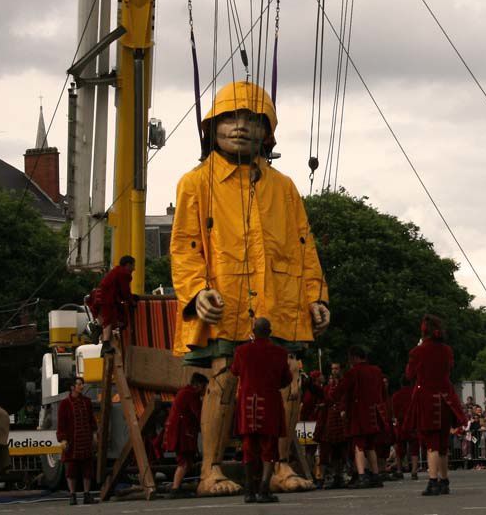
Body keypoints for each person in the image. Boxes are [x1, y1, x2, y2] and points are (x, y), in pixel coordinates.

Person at [170, 81, 330, 496]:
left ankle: (278, 466)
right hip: (225, 302)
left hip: (279, 300)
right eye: (229, 117)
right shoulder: (195, 183)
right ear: (212, 127)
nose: (239, 126)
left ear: (267, 130)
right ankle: (210, 470)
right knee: (223, 379)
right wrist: (195, 290)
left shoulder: (285, 187)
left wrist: (316, 296)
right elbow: (185, 247)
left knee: (290, 379)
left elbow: (303, 246)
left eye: (251, 119)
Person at [230, 318, 293, 504]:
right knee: (269, 448)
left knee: (248, 447)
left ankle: (249, 490)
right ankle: (264, 489)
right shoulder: (280, 353)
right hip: (270, 403)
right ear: (270, 331)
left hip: (248, 403)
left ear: (253, 331)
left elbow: (235, 371)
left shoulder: (241, 351)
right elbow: (286, 379)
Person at [403, 315, 466, 496]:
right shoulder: (446, 350)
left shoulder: (418, 351)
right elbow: (449, 368)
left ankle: (433, 481)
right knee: (443, 443)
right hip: (446, 400)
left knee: (431, 444)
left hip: (427, 401)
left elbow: (409, 374)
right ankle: (444, 480)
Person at [337, 345, 387, 489]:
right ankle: (376, 476)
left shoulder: (353, 372)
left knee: (358, 446)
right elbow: (383, 392)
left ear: (354, 357)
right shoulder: (377, 371)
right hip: (374, 414)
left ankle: (362, 476)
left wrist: (328, 397)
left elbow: (341, 390)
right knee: (370, 446)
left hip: (358, 415)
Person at [164, 372, 209, 497]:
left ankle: (177, 487)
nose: (205, 390)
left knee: (187, 461)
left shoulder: (185, 392)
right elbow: (199, 414)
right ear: (198, 385)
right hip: (183, 432)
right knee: (183, 461)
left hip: (182, 430)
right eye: (205, 387)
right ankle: (175, 488)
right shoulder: (191, 394)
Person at [56, 377, 97, 506]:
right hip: (71, 442)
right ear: (72, 387)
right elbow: (61, 423)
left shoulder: (87, 402)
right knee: (71, 470)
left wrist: (95, 435)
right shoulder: (65, 404)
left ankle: (86, 494)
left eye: (82, 384)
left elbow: (92, 421)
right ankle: (72, 495)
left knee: (87, 470)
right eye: (79, 384)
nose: (82, 386)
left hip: (85, 440)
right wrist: (62, 439)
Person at [93, 255, 136, 354]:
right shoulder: (123, 273)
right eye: (133, 265)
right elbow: (125, 291)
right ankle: (105, 345)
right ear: (128, 265)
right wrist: (132, 301)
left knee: (106, 321)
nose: (134, 268)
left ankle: (98, 328)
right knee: (109, 321)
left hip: (97, 296)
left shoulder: (116, 271)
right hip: (106, 298)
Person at [390, 378, 419, 480]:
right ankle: (414, 471)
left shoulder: (396, 396)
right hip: (413, 424)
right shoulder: (415, 394)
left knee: (399, 449)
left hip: (401, 424)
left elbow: (394, 412)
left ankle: (399, 470)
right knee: (414, 449)